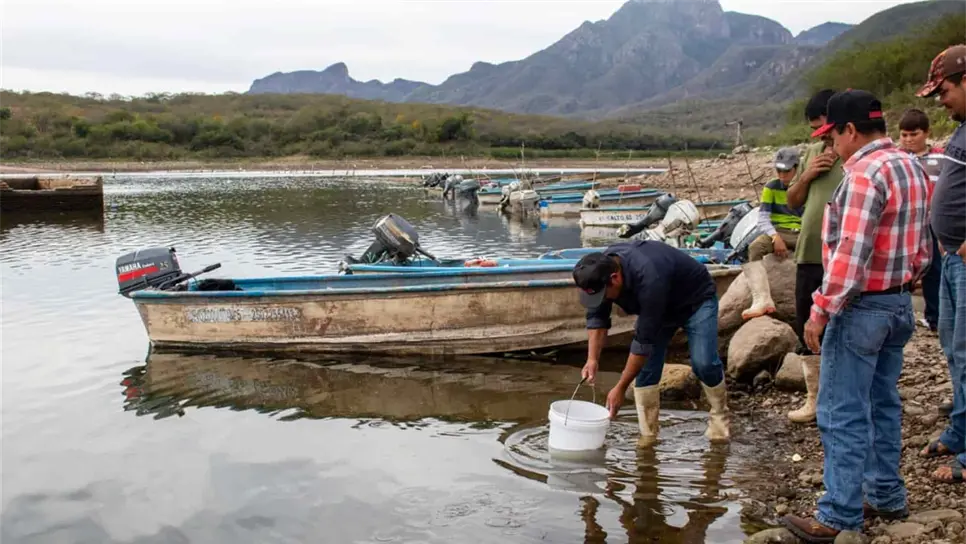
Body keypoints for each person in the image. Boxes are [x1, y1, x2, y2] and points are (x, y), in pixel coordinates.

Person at [782, 89, 932, 541]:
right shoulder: (912, 164)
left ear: (850, 130)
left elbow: (851, 251)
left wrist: (821, 310)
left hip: (861, 305)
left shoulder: (864, 172)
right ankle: (886, 495)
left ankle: (839, 514)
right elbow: (924, 241)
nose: (832, 147)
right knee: (882, 402)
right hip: (899, 300)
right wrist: (909, 277)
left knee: (841, 410)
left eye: (834, 136)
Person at [573, 240, 730, 446]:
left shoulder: (649, 277)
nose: (602, 300)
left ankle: (720, 416)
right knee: (646, 371)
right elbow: (597, 319)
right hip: (659, 308)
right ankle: (648, 435)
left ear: (615, 278)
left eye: (603, 295)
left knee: (703, 363)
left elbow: (643, 342)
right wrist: (592, 359)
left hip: (695, 300)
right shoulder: (599, 272)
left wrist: (620, 388)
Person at [915, 43, 966, 486]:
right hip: (950, 258)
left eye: (945, 90)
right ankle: (962, 427)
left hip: (964, 260)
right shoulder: (963, 128)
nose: (941, 100)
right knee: (954, 349)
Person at [783, 89, 844, 425]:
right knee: (806, 324)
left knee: (841, 325)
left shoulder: (855, 156)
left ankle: (840, 397)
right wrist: (807, 175)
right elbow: (793, 200)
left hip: (841, 255)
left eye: (822, 128)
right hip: (809, 252)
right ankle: (814, 399)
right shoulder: (811, 153)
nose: (819, 136)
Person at [741, 147, 803, 320]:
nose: (782, 175)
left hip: (802, 232)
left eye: (787, 171)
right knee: (755, 248)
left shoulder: (804, 186)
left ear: (796, 168)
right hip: (779, 231)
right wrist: (775, 236)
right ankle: (761, 298)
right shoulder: (771, 187)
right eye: (779, 170)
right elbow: (762, 219)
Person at [898, 108, 945, 331]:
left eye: (913, 134)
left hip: (933, 224)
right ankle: (901, 315)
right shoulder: (897, 159)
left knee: (934, 269)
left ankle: (934, 317)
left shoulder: (941, 158)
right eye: (904, 135)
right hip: (906, 225)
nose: (908, 140)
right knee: (903, 268)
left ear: (926, 133)